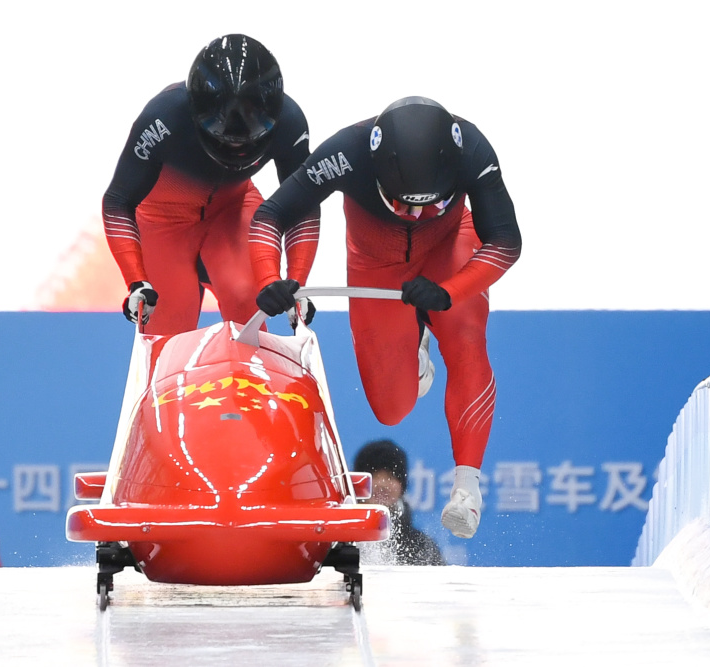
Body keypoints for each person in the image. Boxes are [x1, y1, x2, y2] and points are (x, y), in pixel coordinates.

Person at [251, 96, 521, 539]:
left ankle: (468, 488)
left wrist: (449, 292)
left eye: (428, 204)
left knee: (467, 338)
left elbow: (506, 243)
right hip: (376, 268)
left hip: (450, 250)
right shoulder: (346, 153)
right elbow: (272, 214)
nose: (414, 214)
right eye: (402, 204)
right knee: (392, 409)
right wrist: (275, 278)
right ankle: (416, 339)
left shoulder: (471, 149)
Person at [102, 34, 319, 334]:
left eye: (246, 141)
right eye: (224, 139)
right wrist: (136, 280)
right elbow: (118, 200)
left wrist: (297, 281)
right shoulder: (162, 119)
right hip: (161, 221)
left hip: (232, 208)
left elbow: (303, 205)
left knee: (246, 299)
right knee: (165, 335)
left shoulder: (291, 123)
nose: (234, 151)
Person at [354, 439, 445, 566]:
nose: (382, 484)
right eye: (374, 476)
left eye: (390, 477)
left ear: (402, 485)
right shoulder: (338, 542)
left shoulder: (422, 546)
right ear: (358, 483)